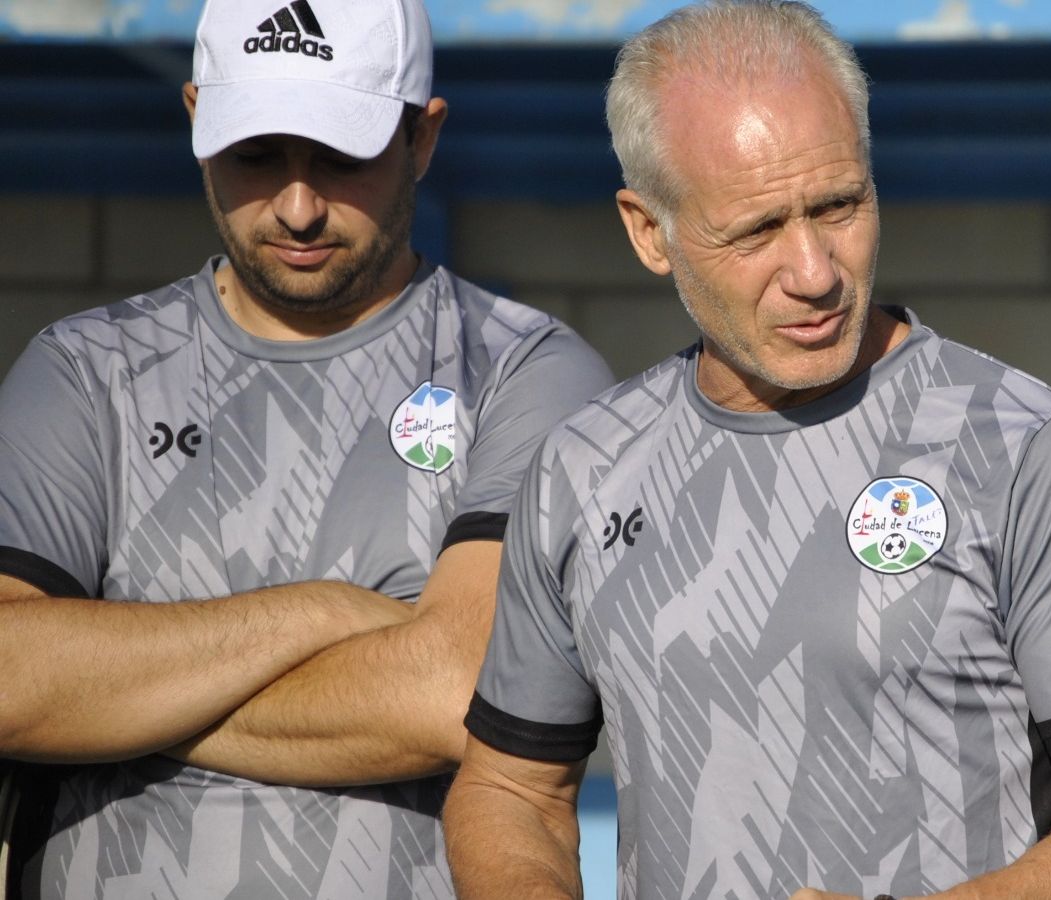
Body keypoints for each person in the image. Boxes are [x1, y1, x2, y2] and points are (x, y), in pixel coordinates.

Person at [444, 1, 1051, 898]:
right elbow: (508, 790)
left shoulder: (1032, 453)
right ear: (650, 231)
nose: (814, 272)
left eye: (840, 205)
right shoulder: (582, 470)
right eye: (758, 229)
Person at [0, 0, 614, 896]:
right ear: (197, 120)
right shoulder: (85, 371)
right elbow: (11, 681)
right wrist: (321, 614)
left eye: (341, 155)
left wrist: (109, 695)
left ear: (423, 139)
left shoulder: (526, 369)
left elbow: (458, 691)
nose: (296, 206)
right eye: (255, 154)